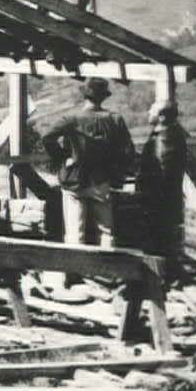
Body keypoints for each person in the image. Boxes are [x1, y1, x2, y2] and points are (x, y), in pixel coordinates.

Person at [42, 76, 136, 259]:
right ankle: (108, 271)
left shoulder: (71, 119)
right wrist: (116, 171)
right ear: (103, 97)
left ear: (85, 96)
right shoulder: (115, 119)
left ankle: (74, 271)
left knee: (75, 232)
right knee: (107, 231)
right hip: (101, 180)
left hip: (73, 180)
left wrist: (63, 156)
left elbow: (47, 138)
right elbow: (128, 151)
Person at [138, 97, 190, 279]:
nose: (148, 113)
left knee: (158, 237)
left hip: (159, 199)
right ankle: (165, 274)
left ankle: (159, 277)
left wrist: (144, 194)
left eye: (152, 110)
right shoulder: (171, 134)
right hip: (168, 198)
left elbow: (159, 172)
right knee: (166, 237)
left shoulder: (163, 139)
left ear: (160, 116)